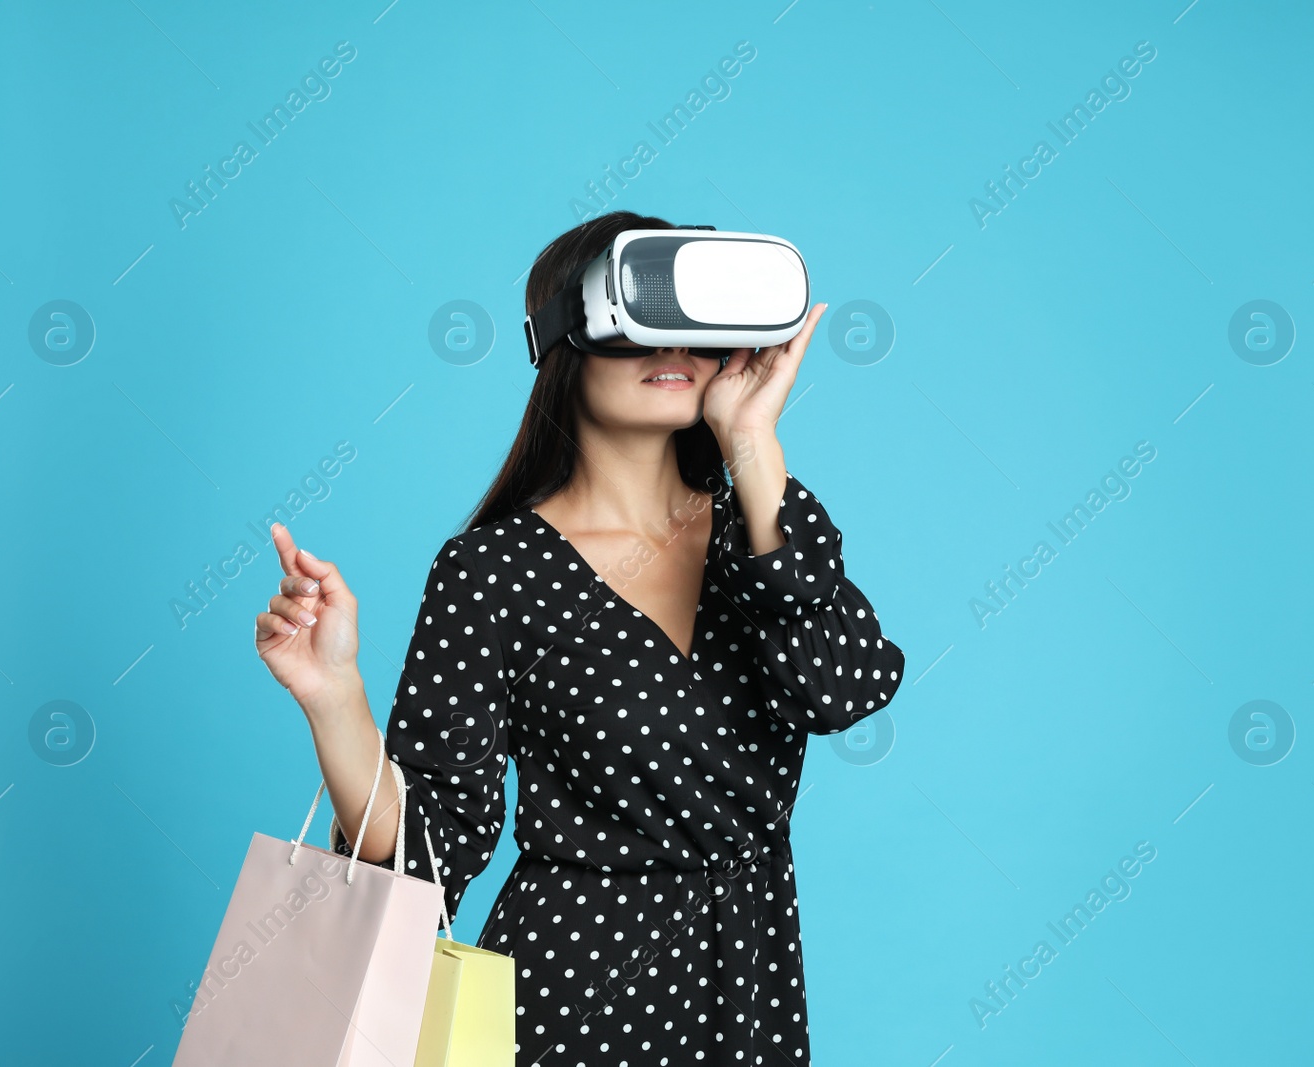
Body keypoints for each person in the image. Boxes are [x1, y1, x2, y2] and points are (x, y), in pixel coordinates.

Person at [254, 210, 906, 1063]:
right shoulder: (490, 571)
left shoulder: (765, 516)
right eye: (643, 316)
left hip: (749, 988)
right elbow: (432, 852)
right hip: (570, 998)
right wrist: (334, 696)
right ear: (570, 334)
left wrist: (751, 442)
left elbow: (841, 689)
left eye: (694, 323)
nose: (671, 348)